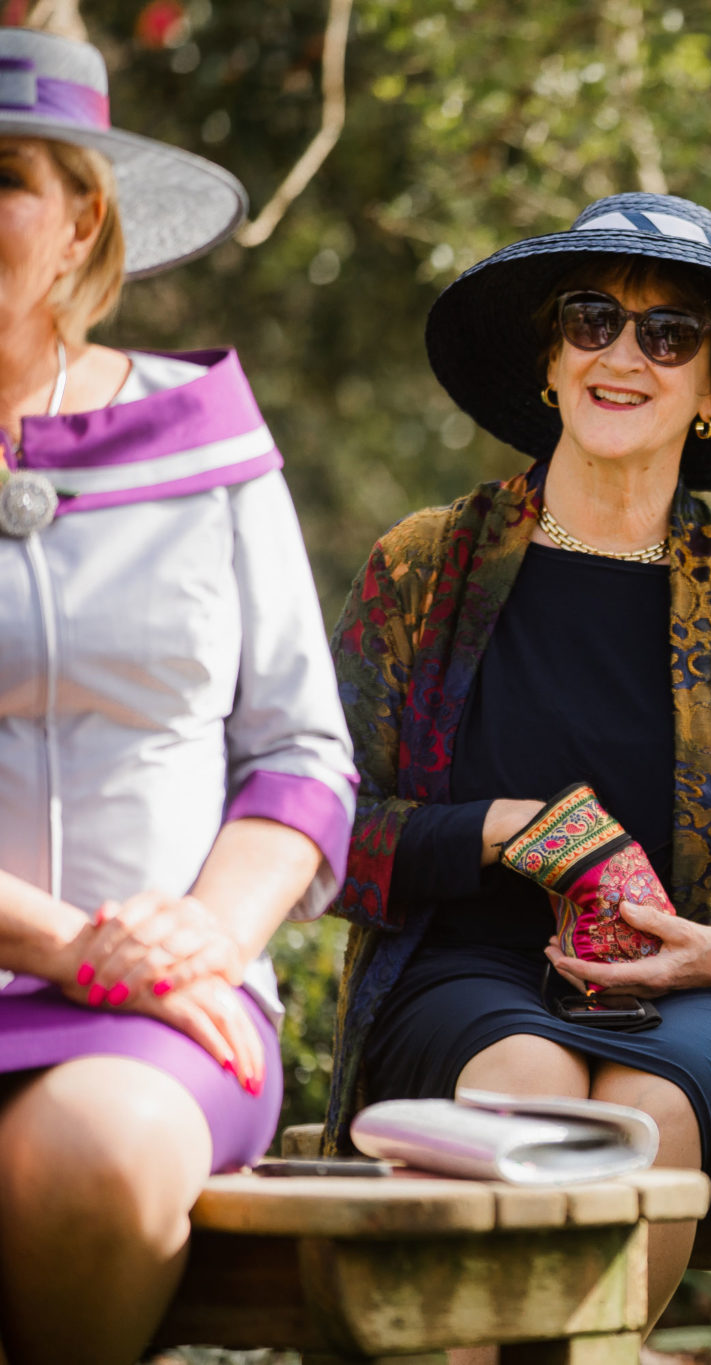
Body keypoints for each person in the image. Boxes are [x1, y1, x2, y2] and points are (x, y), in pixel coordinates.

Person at [325, 192, 711, 1359]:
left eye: (667, 333)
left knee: (640, 1126)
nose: (622, 354)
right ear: (549, 358)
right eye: (591, 320)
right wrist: (493, 829)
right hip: (465, 970)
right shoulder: (425, 567)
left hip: (696, 999)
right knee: (525, 1088)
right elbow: (324, 824)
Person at [0, 25, 358, 1365]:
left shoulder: (205, 441)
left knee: (87, 1155)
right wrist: (64, 941)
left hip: (164, 1011)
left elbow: (301, 753)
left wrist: (201, 939)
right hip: (74, 963)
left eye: (2, 179)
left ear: (84, 213)